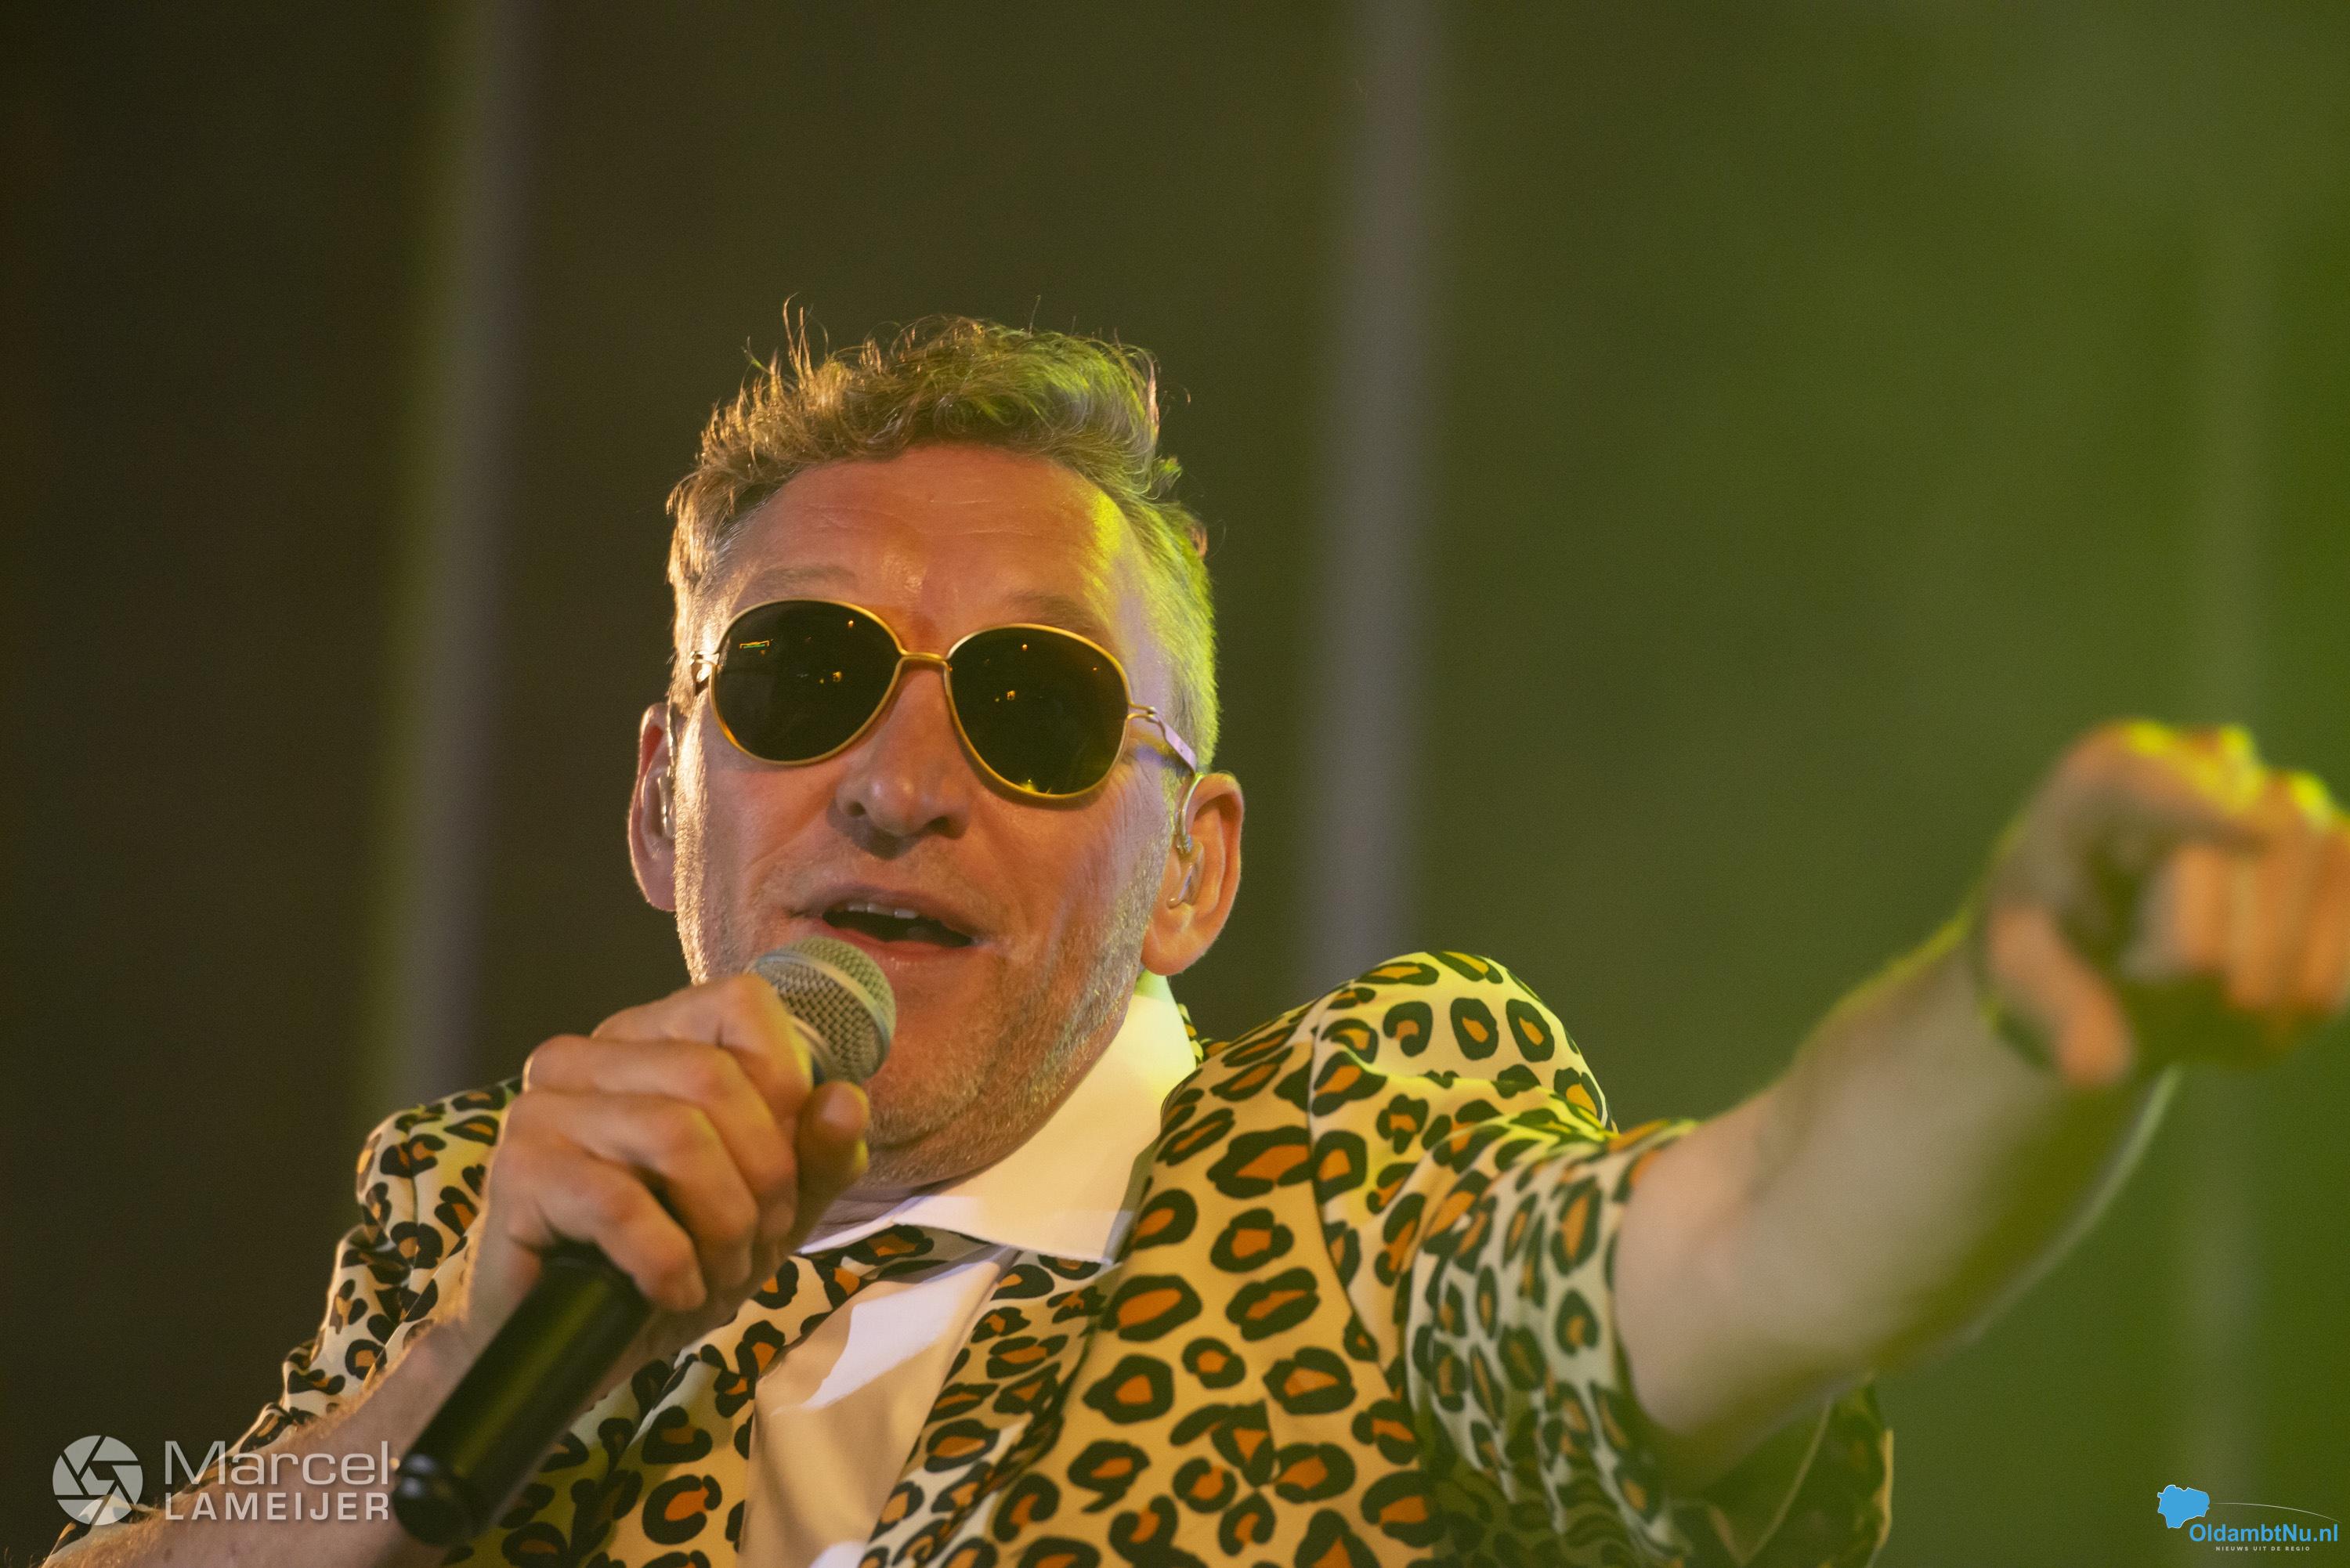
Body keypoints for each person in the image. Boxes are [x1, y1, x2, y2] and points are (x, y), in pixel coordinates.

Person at [49, 317, 2350, 1568]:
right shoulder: (485, 1217)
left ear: (1194, 871)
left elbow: (1741, 1248)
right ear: (665, 793)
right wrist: (453, 1370)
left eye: (1039, 710)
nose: (898, 780)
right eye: (805, 675)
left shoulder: (1349, 1161)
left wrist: (2018, 1016)